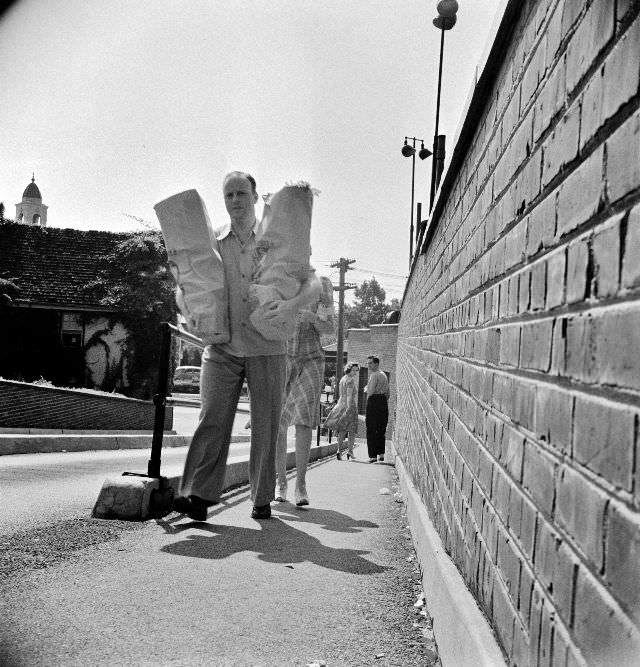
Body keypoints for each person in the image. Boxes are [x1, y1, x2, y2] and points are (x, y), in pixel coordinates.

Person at [173, 171, 321, 521]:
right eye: (229, 195)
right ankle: (197, 495)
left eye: (242, 193)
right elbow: (186, 285)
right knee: (211, 418)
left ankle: (261, 498)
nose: (235, 200)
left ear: (256, 198)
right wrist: (186, 310)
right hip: (222, 346)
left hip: (266, 346)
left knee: (266, 423)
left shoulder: (276, 236)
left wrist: (291, 305)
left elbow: (311, 281)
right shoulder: (211, 242)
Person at [274, 276, 334, 506]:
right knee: (278, 423)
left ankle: (300, 484)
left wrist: (313, 318)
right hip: (284, 358)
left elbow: (329, 327)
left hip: (312, 359)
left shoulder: (321, 285)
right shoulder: (279, 283)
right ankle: (281, 483)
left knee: (304, 420)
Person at [323, 362, 360, 462]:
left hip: (340, 404)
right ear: (349, 369)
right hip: (350, 407)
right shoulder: (351, 381)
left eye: (357, 370)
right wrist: (349, 408)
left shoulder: (342, 379)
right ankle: (350, 451)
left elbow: (341, 394)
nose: (356, 372)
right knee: (352, 431)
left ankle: (339, 450)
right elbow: (349, 396)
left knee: (342, 430)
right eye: (354, 370)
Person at [364, 355, 389, 462]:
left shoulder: (374, 375)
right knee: (381, 428)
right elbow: (388, 393)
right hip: (383, 402)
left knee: (371, 428)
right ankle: (381, 454)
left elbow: (370, 392)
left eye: (370, 363)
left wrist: (366, 390)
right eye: (368, 363)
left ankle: (373, 456)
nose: (368, 365)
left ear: (376, 363)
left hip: (374, 401)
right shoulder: (384, 374)